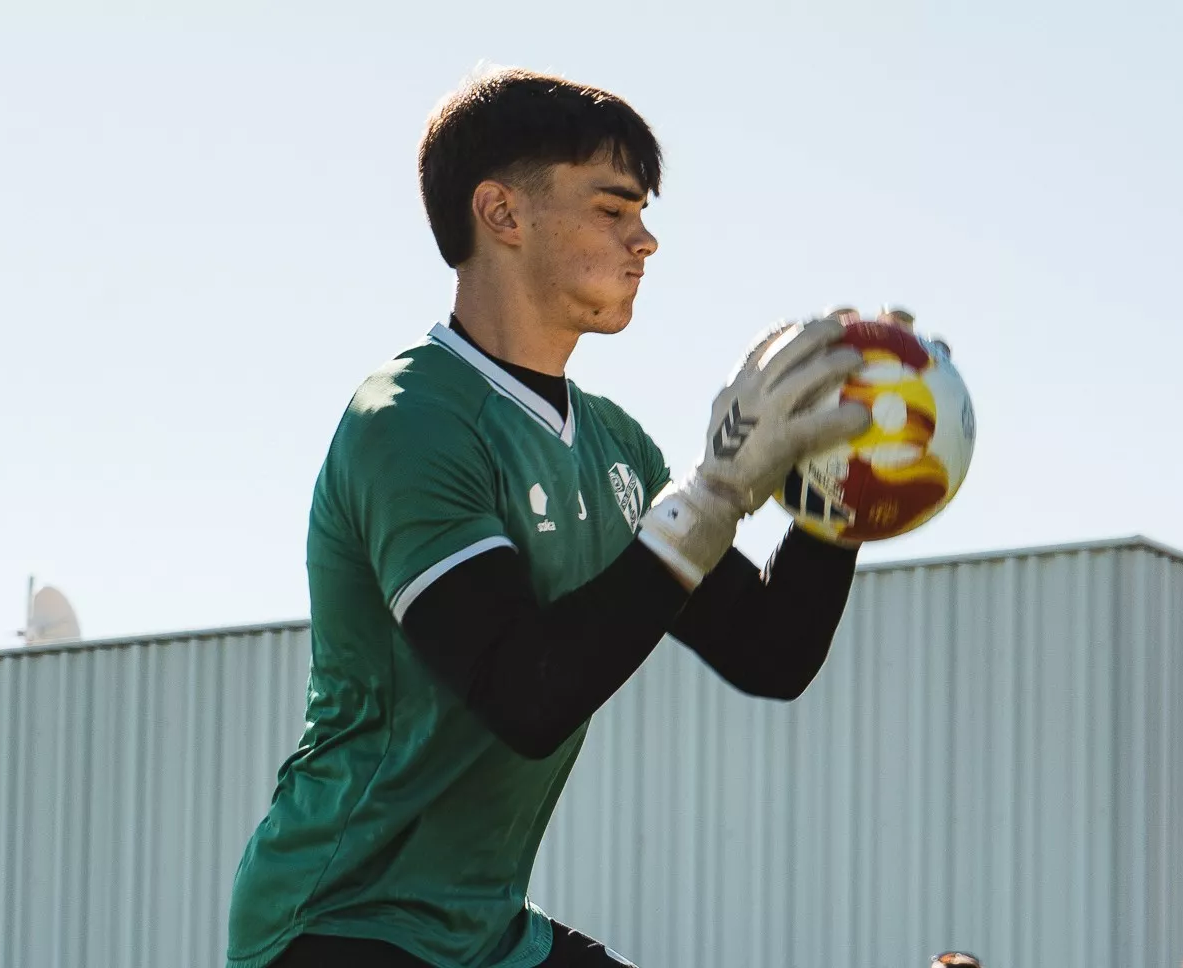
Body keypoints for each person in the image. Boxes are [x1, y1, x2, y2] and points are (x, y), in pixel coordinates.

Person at [226, 66, 877, 968]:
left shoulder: (615, 446)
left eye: (644, 213)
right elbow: (524, 694)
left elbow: (770, 652)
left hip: (486, 932)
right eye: (613, 209)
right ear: (502, 214)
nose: (644, 240)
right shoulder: (408, 422)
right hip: (337, 920)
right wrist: (720, 493)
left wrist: (836, 501)